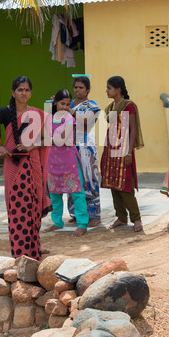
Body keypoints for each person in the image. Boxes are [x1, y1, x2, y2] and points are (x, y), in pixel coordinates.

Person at [0, 76, 52, 260]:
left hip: (33, 165)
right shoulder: (5, 113)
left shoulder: (36, 114)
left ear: (31, 92)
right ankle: (20, 253)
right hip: (13, 167)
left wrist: (32, 146)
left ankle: (34, 249)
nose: (23, 93)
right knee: (17, 209)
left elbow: (48, 139)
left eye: (27, 90)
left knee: (34, 207)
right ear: (13, 92)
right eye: (20, 90)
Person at [100, 76, 144, 232]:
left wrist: (128, 153)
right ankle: (121, 217)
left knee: (125, 186)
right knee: (114, 185)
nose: (106, 90)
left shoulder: (128, 106)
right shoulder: (111, 107)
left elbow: (132, 130)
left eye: (109, 88)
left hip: (123, 150)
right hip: (110, 150)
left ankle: (136, 219)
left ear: (118, 90)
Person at [43, 89, 89, 237]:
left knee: (77, 193)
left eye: (68, 104)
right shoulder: (48, 118)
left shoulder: (70, 118)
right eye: (62, 103)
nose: (64, 107)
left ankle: (82, 224)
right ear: (55, 102)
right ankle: (57, 222)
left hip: (69, 160)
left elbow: (63, 139)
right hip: (52, 160)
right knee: (55, 193)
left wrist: (46, 141)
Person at [67, 75, 101, 228]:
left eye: (81, 87)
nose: (77, 90)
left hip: (86, 147)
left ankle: (94, 214)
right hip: (69, 146)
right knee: (72, 178)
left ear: (88, 90)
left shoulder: (91, 106)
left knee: (89, 178)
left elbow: (87, 123)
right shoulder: (69, 103)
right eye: (75, 87)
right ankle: (77, 212)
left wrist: (71, 112)